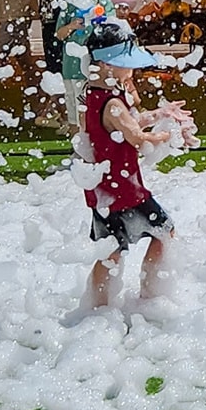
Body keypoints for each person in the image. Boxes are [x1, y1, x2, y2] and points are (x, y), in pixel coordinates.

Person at [79, 22, 181, 308]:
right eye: (128, 64)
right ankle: (150, 295)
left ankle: (96, 306)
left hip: (104, 189)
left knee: (111, 251)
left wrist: (159, 113)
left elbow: (124, 126)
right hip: (124, 189)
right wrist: (170, 135)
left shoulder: (94, 94)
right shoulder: (113, 103)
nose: (132, 71)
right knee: (165, 231)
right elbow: (136, 138)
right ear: (108, 64)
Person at [57, 0, 115, 134]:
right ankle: (76, 150)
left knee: (95, 108)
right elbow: (59, 35)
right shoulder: (68, 5)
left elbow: (113, 30)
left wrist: (99, 21)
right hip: (72, 66)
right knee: (75, 109)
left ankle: (97, 147)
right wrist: (72, 26)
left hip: (97, 66)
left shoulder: (105, 4)